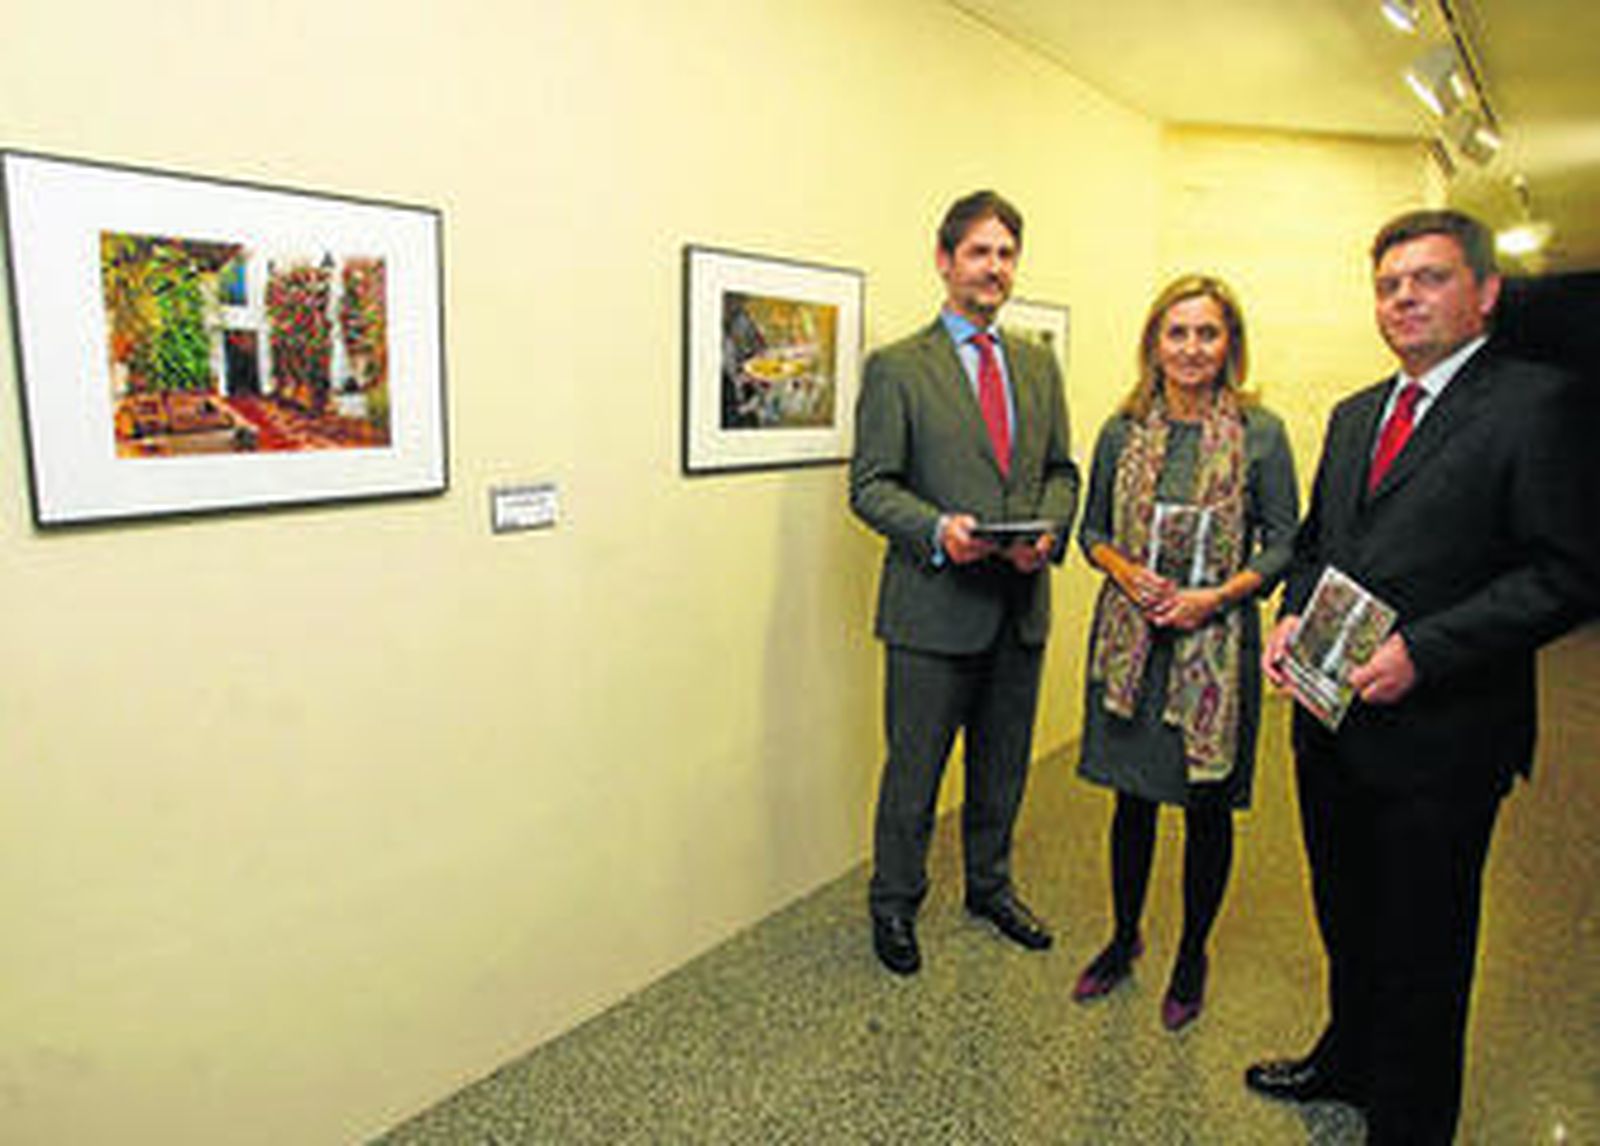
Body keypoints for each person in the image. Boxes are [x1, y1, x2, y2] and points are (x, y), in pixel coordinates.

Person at [1246, 209, 1596, 1143]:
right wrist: (1288, 619)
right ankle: (1347, 1058)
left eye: (1429, 278)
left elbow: (1569, 572)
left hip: (1444, 740)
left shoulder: (1537, 404)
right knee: (1346, 915)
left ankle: (1408, 1121)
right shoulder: (1358, 412)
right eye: (1390, 283)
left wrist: (1426, 653)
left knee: (1425, 949)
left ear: (1483, 294)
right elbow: (1321, 543)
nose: (1404, 296)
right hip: (1329, 723)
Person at [850, 190, 1080, 976]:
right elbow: (871, 486)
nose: (995, 267)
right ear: (945, 261)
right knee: (913, 772)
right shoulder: (896, 370)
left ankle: (990, 887)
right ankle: (894, 904)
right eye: (979, 252)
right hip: (931, 610)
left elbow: (1060, 471)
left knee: (1002, 767)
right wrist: (939, 533)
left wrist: (1047, 535)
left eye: (1007, 253)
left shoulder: (1039, 364)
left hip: (1018, 607)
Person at [1071, 275, 1298, 1030]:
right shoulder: (1121, 431)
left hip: (1215, 646)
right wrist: (1125, 572)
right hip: (1134, 642)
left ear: (1229, 342)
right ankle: (1122, 936)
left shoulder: (1260, 433)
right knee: (1130, 804)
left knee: (1206, 811)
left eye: (1208, 333)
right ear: (1154, 343)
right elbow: (1091, 534)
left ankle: (1192, 951)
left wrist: (1216, 596)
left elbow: (1287, 542)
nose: (1193, 349)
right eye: (1178, 333)